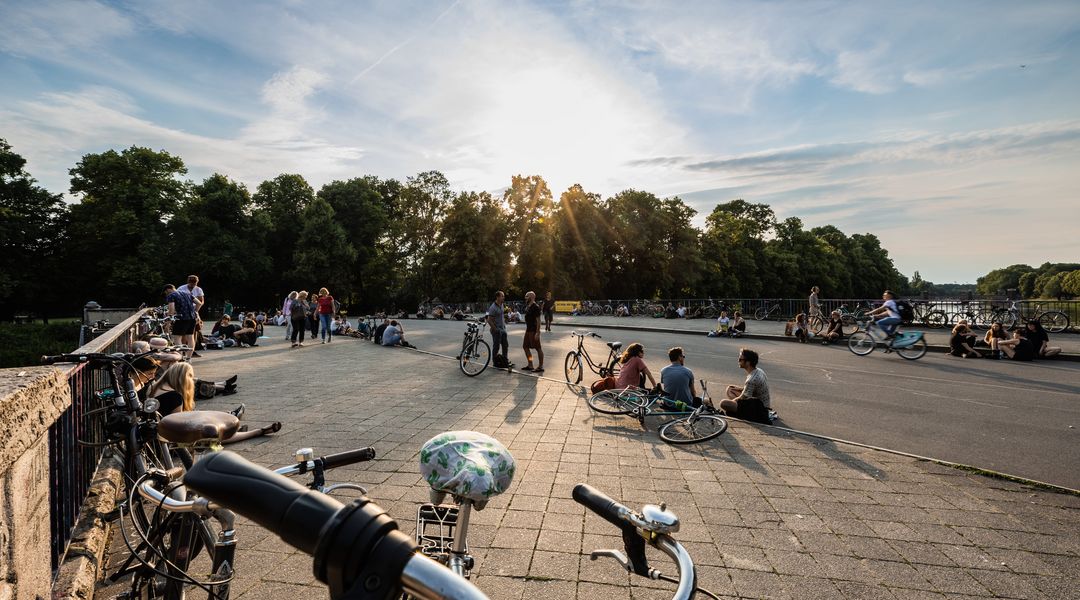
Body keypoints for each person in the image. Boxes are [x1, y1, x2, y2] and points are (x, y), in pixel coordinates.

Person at [720, 348, 772, 424]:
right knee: (731, 389)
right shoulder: (758, 370)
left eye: (740, 359)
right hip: (758, 401)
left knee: (724, 403)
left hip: (759, 408)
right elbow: (751, 390)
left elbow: (743, 398)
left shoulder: (751, 379)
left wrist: (731, 402)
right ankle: (736, 408)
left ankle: (740, 412)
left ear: (748, 362)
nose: (738, 361)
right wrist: (739, 389)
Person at [164, 284, 197, 358]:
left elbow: (171, 310)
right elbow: (199, 303)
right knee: (190, 338)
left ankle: (180, 357)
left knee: (177, 337)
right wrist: (195, 311)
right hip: (192, 318)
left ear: (168, 290)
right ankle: (188, 358)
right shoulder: (187, 293)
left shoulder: (171, 295)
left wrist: (168, 323)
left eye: (166, 292)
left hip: (181, 319)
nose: (166, 294)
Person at [521, 291, 544, 373]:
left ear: (531, 297)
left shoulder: (535, 307)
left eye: (527, 296)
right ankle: (530, 364)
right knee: (525, 347)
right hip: (528, 330)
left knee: (538, 348)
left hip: (534, 331)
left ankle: (540, 366)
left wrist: (538, 332)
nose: (525, 298)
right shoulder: (528, 306)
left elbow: (538, 321)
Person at [487, 291, 511, 367]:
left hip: (503, 329)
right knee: (496, 346)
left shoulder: (502, 304)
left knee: (505, 345)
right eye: (502, 296)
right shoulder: (493, 307)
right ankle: (495, 362)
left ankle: (505, 360)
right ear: (497, 297)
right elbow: (489, 320)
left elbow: (501, 315)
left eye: (503, 296)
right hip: (496, 330)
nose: (503, 297)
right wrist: (495, 329)